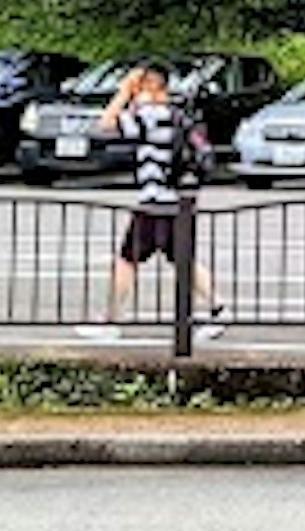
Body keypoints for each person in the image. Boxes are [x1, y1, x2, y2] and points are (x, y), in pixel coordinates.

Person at [97, 63, 227, 339]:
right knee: (183, 259)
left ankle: (111, 322)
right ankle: (218, 308)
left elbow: (106, 123)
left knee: (126, 259)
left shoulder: (149, 116)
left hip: (154, 202)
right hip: (178, 200)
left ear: (149, 87)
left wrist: (123, 93)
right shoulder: (175, 115)